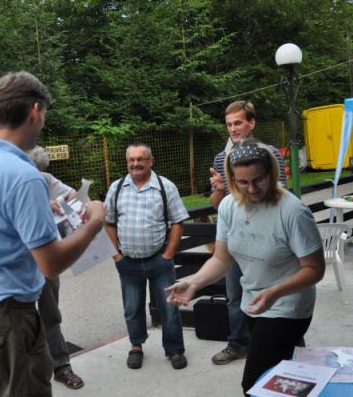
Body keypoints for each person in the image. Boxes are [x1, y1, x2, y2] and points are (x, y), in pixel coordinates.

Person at [0, 71, 104, 397]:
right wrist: (94, 222)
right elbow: (50, 264)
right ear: (35, 111)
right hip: (8, 320)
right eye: (44, 115)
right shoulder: (25, 176)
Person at [166, 139, 325, 396]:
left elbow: (315, 269)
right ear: (232, 179)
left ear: (271, 173)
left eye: (259, 179)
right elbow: (221, 258)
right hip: (252, 304)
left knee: (253, 385)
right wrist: (194, 283)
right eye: (243, 182)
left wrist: (275, 292)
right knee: (284, 376)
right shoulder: (229, 206)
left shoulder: (293, 211)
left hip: (287, 307)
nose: (252, 189)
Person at [208, 100, 287, 365]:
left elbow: (281, 196)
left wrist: (237, 190)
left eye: (238, 122)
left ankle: (281, 341)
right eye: (229, 124)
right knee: (235, 296)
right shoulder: (222, 158)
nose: (233, 129)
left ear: (251, 123)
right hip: (234, 241)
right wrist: (220, 190)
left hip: (267, 239)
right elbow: (218, 206)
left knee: (272, 292)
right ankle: (237, 343)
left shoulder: (270, 153)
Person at [104, 143, 190, 370]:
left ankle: (174, 349)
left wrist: (168, 254)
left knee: (169, 307)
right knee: (132, 307)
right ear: (127, 163)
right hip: (128, 262)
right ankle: (136, 346)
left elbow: (178, 221)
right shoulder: (117, 188)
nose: (136, 164)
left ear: (151, 161)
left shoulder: (165, 187)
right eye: (132, 160)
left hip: (159, 260)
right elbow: (109, 223)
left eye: (141, 159)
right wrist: (116, 256)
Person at [27, 145, 84, 390]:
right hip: (20, 264)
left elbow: (73, 195)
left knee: (51, 314)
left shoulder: (46, 179)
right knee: (22, 318)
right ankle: (30, 370)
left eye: (41, 172)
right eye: (34, 172)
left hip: (47, 258)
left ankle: (61, 367)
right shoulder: (12, 183)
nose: (39, 176)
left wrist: (65, 202)